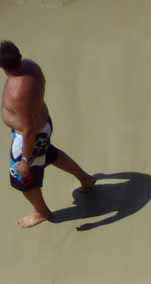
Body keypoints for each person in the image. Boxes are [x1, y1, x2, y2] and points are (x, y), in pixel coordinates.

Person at [1, 40, 94, 228]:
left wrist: (25, 161)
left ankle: (41, 212)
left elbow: (28, 130)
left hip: (29, 138)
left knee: (22, 179)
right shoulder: (31, 66)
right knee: (48, 154)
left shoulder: (17, 91)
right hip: (43, 127)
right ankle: (85, 179)